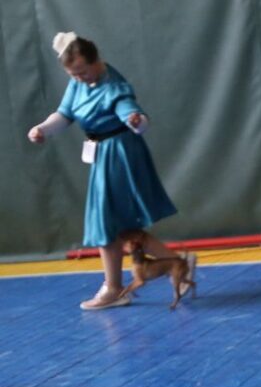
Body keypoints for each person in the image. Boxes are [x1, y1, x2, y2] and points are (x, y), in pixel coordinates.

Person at [28, 32, 195, 310]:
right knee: (123, 228)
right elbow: (65, 114)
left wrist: (136, 121)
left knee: (105, 224)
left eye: (82, 71)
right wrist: (43, 129)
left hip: (120, 155)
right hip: (102, 155)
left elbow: (135, 118)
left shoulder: (115, 87)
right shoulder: (78, 83)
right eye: (73, 74)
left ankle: (114, 288)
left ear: (96, 60)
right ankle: (177, 263)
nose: (79, 78)